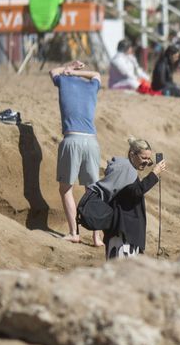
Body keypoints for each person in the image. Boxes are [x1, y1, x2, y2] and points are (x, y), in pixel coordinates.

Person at [50, 60, 104, 245]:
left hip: (72, 139)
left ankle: (74, 232)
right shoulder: (92, 86)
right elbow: (97, 74)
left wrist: (69, 68)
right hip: (91, 141)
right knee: (92, 190)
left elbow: (53, 70)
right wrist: (77, 72)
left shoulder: (64, 81)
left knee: (66, 189)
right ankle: (97, 237)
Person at [98, 138, 169, 259]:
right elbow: (136, 192)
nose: (146, 162)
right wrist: (154, 174)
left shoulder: (127, 169)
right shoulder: (125, 170)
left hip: (125, 231)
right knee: (120, 272)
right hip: (122, 231)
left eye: (148, 159)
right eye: (144, 158)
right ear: (132, 154)